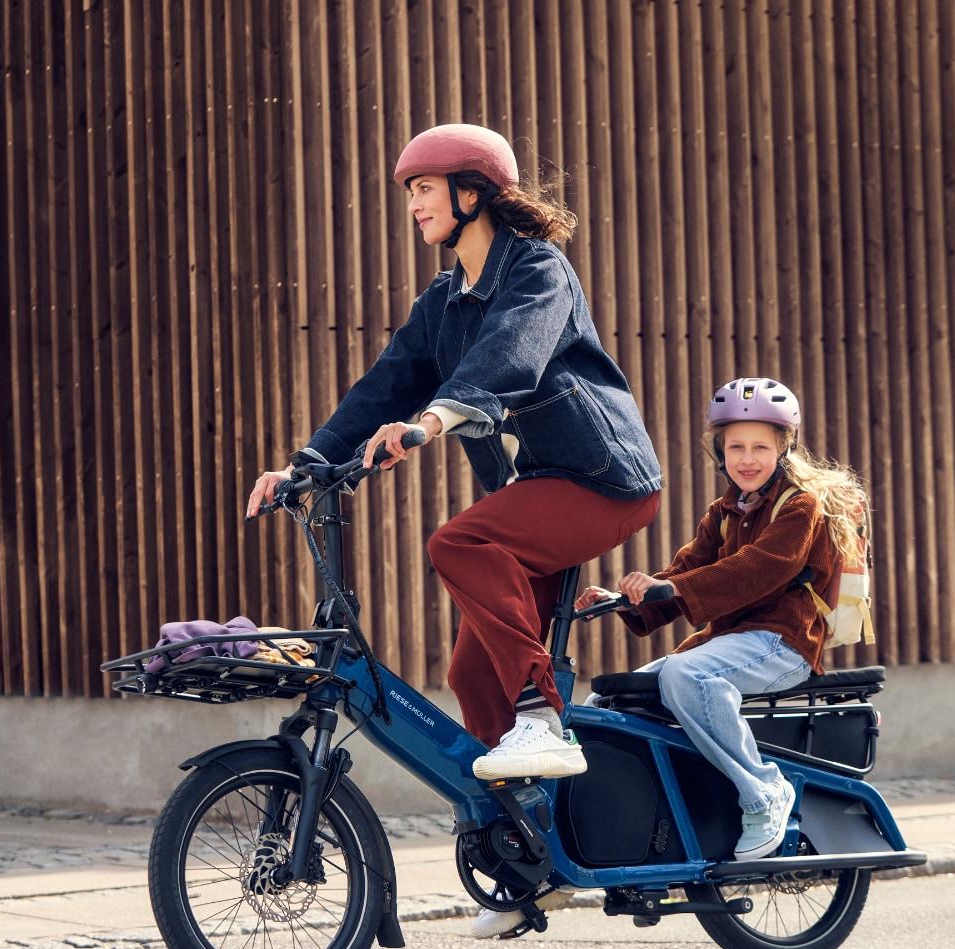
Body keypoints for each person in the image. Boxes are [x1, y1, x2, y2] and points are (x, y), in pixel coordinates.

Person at [246, 122, 662, 785]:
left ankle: (540, 720)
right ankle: (529, 831)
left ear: (473, 191)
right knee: (469, 670)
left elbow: (513, 350)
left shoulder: (538, 268)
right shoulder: (442, 301)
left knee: (458, 544)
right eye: (411, 193)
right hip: (538, 488)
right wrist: (303, 465)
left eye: (424, 188)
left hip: (605, 479)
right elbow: (382, 387)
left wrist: (433, 421)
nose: (414, 205)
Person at [579, 377, 868, 859]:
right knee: (607, 705)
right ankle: (646, 833)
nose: (747, 458)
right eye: (736, 446)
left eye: (760, 446)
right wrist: (627, 597)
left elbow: (762, 569)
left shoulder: (801, 505)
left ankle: (763, 792)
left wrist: (674, 588)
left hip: (784, 643)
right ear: (720, 450)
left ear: (784, 447)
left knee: (686, 673)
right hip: (729, 644)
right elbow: (688, 570)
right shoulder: (724, 512)